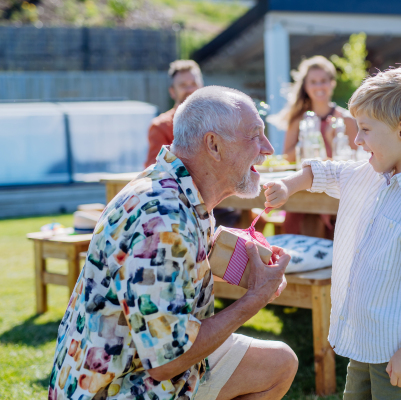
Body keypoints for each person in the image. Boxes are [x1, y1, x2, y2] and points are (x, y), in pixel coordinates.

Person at [48, 86, 298, 400]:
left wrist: (247, 264)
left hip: (137, 362)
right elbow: (166, 362)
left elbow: (183, 263)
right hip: (119, 385)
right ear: (214, 145)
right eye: (255, 135)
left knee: (278, 363)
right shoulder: (163, 221)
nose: (268, 148)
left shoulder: (177, 187)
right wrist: (255, 298)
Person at [263, 66, 401, 400]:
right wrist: (288, 184)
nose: (356, 140)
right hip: (367, 340)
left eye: (366, 129)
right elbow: (326, 171)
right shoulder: (369, 173)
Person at [272, 55, 358, 237]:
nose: (319, 86)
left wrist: (335, 141)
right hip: (305, 188)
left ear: (332, 83)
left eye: (323, 81)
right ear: (305, 85)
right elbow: (286, 156)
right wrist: (309, 141)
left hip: (336, 189)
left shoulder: (347, 119)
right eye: (313, 82)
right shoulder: (298, 120)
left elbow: (357, 158)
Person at [144, 60, 203, 168]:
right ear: (172, 91)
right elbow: (156, 170)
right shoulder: (160, 127)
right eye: (183, 85)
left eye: (194, 84)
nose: (190, 90)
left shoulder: (216, 121)